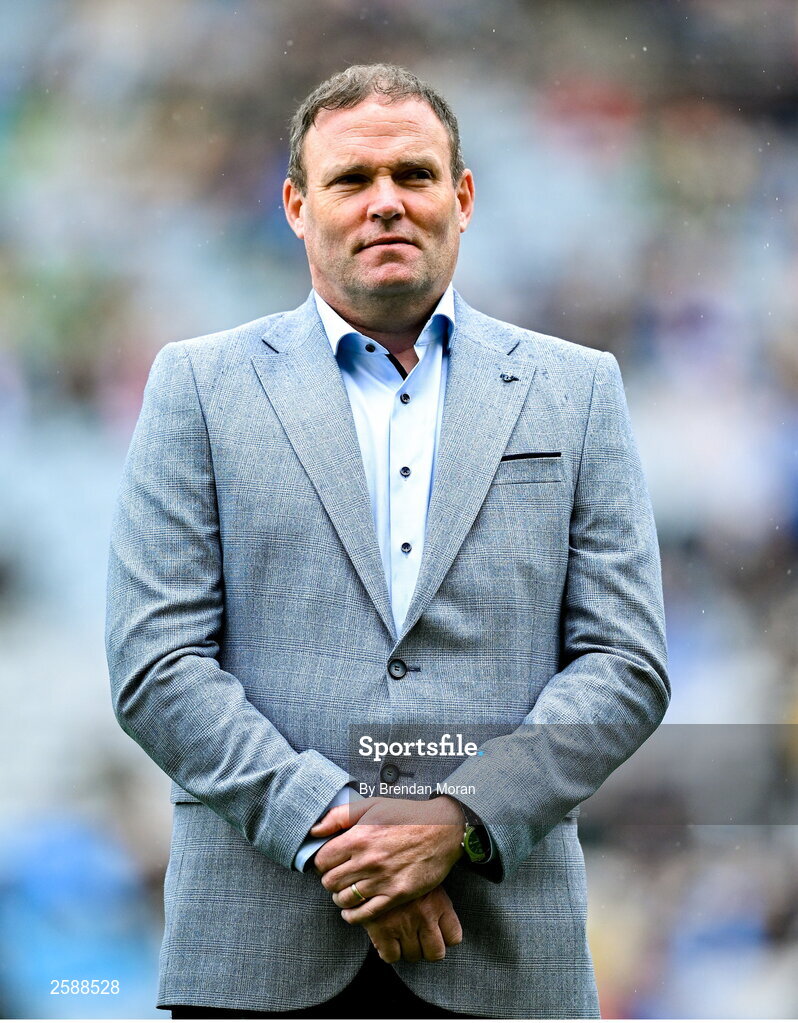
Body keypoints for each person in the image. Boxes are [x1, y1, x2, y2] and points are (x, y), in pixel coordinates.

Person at [106, 63, 669, 1019]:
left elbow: (626, 662)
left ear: (464, 196)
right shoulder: (198, 387)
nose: (386, 203)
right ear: (296, 205)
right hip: (256, 953)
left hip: (503, 954)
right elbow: (156, 664)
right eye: (352, 179)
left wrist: (461, 819)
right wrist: (347, 837)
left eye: (413, 174)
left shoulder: (577, 390)